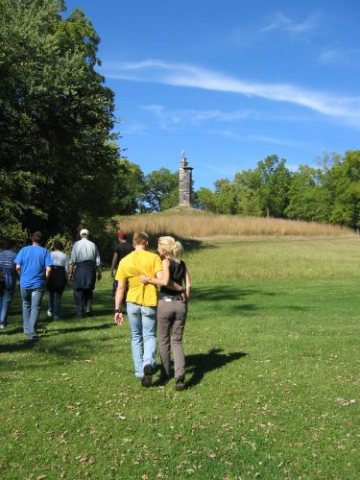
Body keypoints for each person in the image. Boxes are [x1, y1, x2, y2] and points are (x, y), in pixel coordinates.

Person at [140, 236, 191, 391]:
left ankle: (165, 373)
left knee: (163, 340)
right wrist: (185, 299)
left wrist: (148, 279)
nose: (157, 248)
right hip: (180, 305)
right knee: (177, 341)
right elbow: (188, 284)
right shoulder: (182, 263)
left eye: (158, 246)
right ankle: (180, 376)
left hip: (165, 304)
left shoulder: (165, 262)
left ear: (164, 248)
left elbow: (164, 281)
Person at [114, 232, 164, 387]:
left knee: (136, 336)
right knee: (149, 335)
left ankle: (140, 371)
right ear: (146, 242)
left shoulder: (125, 261)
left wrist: (117, 309)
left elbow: (120, 287)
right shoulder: (154, 258)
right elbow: (162, 280)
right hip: (149, 300)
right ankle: (148, 362)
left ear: (134, 243)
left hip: (132, 301)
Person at [14, 231, 52, 342]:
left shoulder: (24, 250)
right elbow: (49, 269)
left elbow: (17, 266)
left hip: (24, 283)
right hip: (38, 283)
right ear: (42, 240)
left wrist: (21, 276)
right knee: (35, 308)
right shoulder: (45, 252)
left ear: (32, 239)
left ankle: (27, 329)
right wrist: (46, 279)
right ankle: (31, 333)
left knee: (26, 305)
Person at [69, 229, 101, 318]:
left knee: (78, 290)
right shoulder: (93, 244)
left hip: (80, 268)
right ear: (88, 235)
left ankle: (79, 312)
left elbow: (72, 260)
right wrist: (99, 272)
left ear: (80, 235)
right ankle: (88, 309)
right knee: (89, 289)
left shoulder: (76, 244)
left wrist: (71, 273)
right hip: (91, 269)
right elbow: (98, 260)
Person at [46, 240, 69, 320]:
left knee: (50, 293)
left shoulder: (50, 254)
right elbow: (66, 269)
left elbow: (46, 266)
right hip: (60, 273)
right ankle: (57, 315)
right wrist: (67, 279)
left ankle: (50, 310)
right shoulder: (65, 256)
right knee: (58, 296)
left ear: (54, 247)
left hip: (51, 273)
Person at [0, 239, 17, 329]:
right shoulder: (14, 255)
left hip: (1, 279)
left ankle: (2, 320)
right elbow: (17, 269)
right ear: (13, 246)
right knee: (6, 300)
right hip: (9, 280)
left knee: (1, 299)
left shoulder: (0, 254)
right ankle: (2, 321)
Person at [110, 231, 133, 296]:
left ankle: (117, 295)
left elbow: (115, 259)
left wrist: (112, 269)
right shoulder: (131, 247)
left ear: (119, 238)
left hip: (120, 268)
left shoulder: (118, 247)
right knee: (128, 283)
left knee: (117, 283)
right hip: (129, 268)